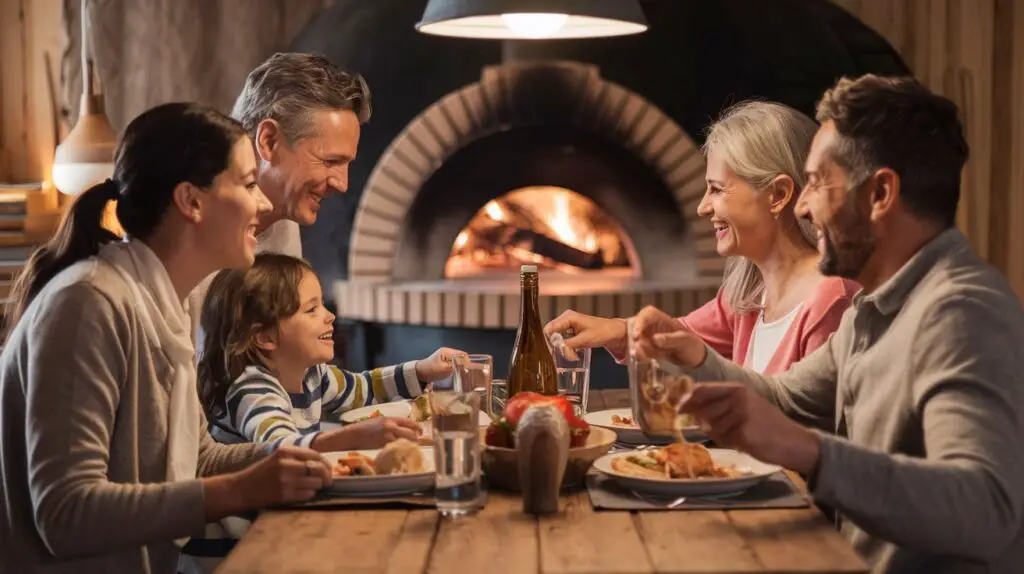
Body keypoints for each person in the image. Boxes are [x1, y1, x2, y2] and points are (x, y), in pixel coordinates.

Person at [632, 75, 1024, 573]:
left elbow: (985, 508)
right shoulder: (874, 310)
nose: (801, 205)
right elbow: (785, 399)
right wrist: (698, 358)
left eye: (817, 182)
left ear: (880, 193)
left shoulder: (961, 313)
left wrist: (815, 453)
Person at [0, 102, 333, 574]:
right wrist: (240, 492)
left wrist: (314, 450)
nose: (262, 204)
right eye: (247, 184)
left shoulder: (163, 302)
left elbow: (197, 458)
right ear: (191, 201)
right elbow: (65, 513)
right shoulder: (89, 304)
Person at [545, 101, 859, 375]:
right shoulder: (750, 294)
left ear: (777, 195)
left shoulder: (831, 300)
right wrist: (613, 330)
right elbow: (680, 338)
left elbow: (813, 435)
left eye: (717, 189)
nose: (702, 208)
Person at [185, 52, 371, 345]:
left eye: (347, 164)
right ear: (269, 141)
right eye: (330, 161)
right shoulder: (186, 237)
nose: (343, 184)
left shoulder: (284, 224)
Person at [198, 253, 461, 452]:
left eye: (323, 305)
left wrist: (423, 369)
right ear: (265, 337)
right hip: (254, 522)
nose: (330, 316)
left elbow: (365, 387)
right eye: (312, 310)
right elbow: (282, 448)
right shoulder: (254, 392)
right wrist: (349, 437)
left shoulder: (314, 376)